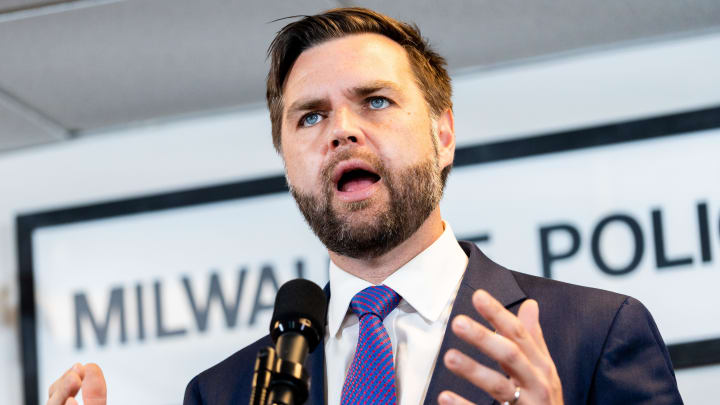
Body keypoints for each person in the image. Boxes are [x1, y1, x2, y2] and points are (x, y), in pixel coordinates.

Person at [47, 7, 683, 405]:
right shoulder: (225, 394)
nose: (341, 131)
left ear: (443, 132)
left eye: (375, 101)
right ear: (287, 159)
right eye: (311, 116)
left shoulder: (593, 336)